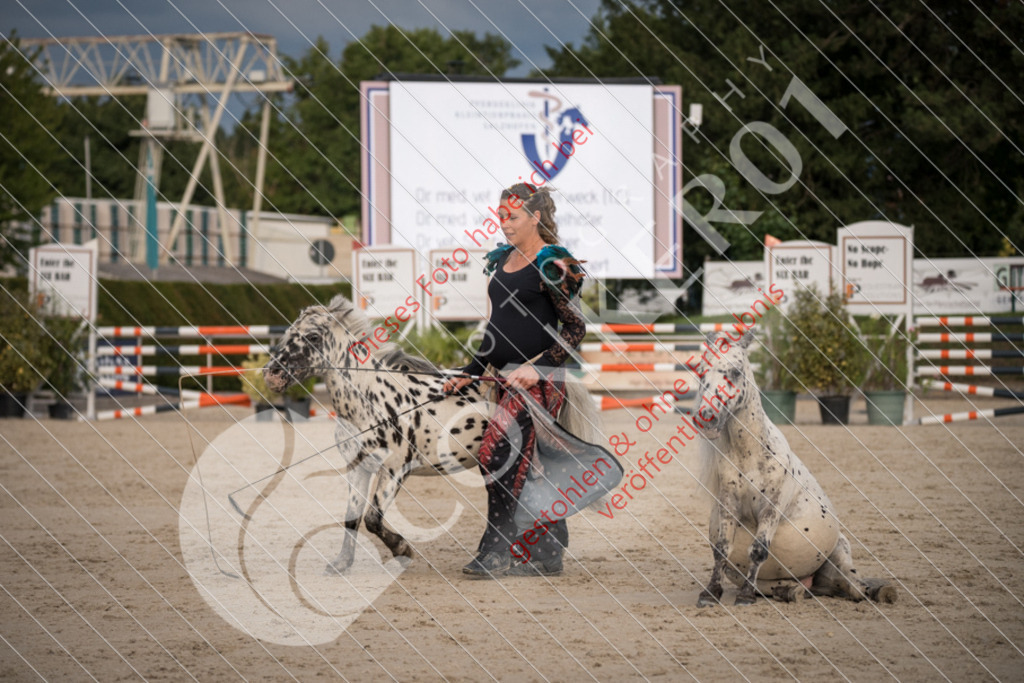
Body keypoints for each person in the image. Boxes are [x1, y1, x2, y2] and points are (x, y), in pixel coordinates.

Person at [443, 182, 587, 579]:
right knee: (529, 466)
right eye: (501, 215)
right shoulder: (503, 260)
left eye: (513, 216)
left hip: (540, 382)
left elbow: (575, 330)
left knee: (495, 456)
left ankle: (497, 551)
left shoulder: (552, 264)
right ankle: (547, 550)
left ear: (535, 217)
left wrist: (536, 366)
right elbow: (497, 327)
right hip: (504, 380)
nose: (504, 223)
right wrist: (469, 373)